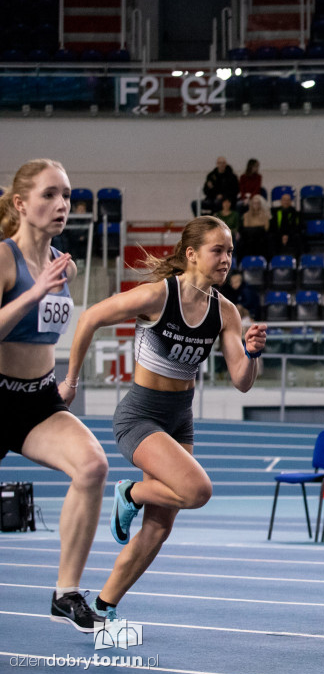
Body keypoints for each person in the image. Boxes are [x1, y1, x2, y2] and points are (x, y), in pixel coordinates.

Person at [62, 216, 268, 623]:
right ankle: (131, 494)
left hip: (180, 419)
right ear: (191, 255)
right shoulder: (157, 296)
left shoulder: (225, 312)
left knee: (159, 528)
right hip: (140, 415)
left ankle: (104, 606)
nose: (227, 259)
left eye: (230, 251)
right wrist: (70, 382)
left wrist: (253, 353)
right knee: (197, 491)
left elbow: (242, 382)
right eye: (218, 250)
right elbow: (88, 319)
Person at [0, 158, 108, 633]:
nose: (62, 204)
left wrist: (67, 379)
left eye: (67, 194)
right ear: (22, 204)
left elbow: (45, 332)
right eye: (49, 194)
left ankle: (66, 592)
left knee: (93, 466)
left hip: (37, 401)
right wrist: (33, 291)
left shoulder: (66, 262)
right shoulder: (4, 258)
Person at [240, 194, 270, 260]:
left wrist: (254, 226)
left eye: (258, 203)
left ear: (260, 204)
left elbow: (266, 228)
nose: (256, 205)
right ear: (251, 204)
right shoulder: (246, 215)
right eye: (254, 203)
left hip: (261, 237)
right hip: (249, 237)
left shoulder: (265, 215)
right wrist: (259, 225)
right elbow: (246, 226)